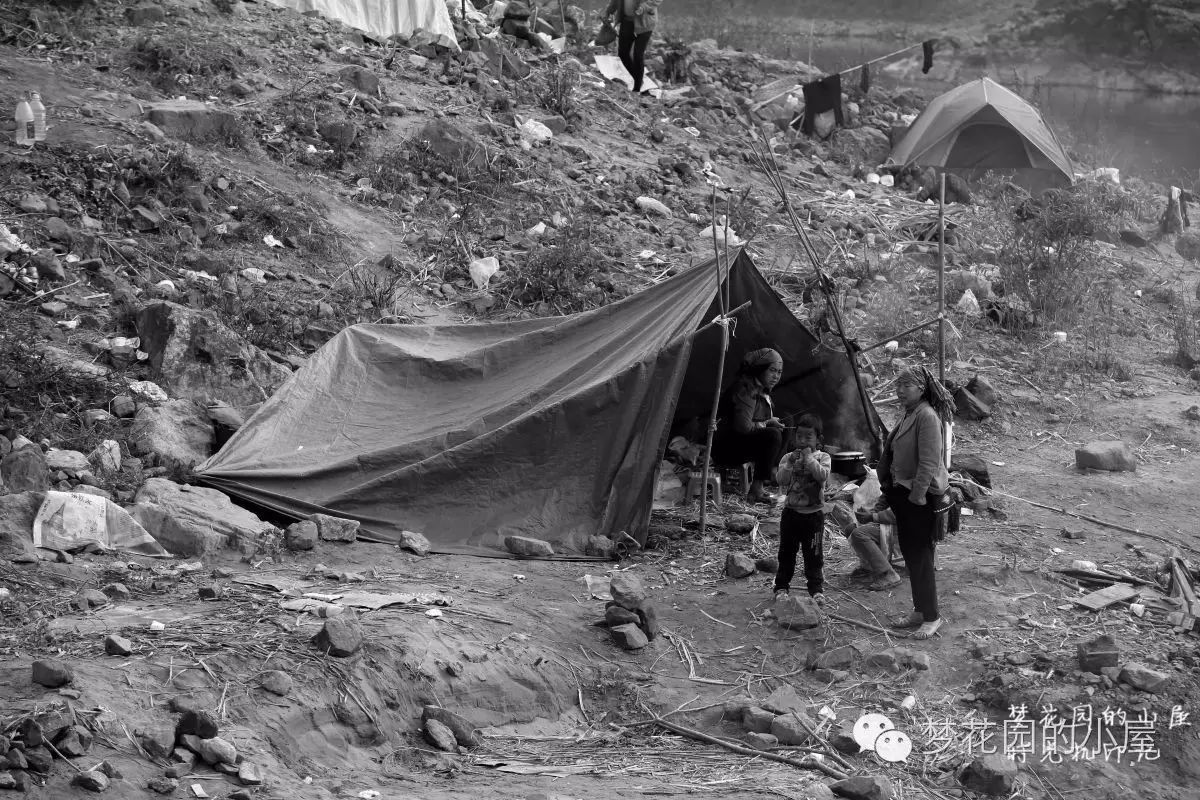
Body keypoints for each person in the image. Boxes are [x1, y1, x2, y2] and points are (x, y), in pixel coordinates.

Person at [876, 365, 955, 640]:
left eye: (905, 386)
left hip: (919, 497)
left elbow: (930, 461)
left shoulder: (927, 416)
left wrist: (917, 494)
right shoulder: (910, 414)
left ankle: (932, 616)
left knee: (921, 557)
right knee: (911, 555)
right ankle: (920, 611)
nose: (899, 391)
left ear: (921, 388)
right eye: (897, 386)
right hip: (906, 494)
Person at [712, 348, 786, 504]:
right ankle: (756, 489)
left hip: (738, 443)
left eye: (779, 372)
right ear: (760, 369)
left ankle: (772, 472)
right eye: (772, 370)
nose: (776, 376)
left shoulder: (759, 388)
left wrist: (769, 421)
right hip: (725, 449)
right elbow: (743, 428)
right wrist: (766, 423)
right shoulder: (745, 388)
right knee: (773, 435)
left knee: (785, 425)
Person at [772, 414, 831, 604]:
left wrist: (809, 460)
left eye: (808, 437)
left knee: (813, 554)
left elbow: (823, 476)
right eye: (799, 436)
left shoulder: (823, 458)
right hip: (791, 514)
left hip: (813, 516)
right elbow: (781, 480)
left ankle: (816, 589)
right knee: (786, 552)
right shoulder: (788, 458)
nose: (803, 440)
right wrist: (789, 464)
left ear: (818, 440)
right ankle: (781, 586)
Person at [603, 0, 661, 94]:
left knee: (638, 55)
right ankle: (638, 78)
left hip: (645, 23)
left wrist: (644, 6)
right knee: (623, 54)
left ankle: (637, 89)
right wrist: (609, 12)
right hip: (627, 21)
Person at [849, 498, 903, 591]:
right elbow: (886, 497)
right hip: (893, 521)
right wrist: (873, 512)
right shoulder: (894, 484)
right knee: (850, 529)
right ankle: (868, 567)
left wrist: (873, 516)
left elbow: (904, 514)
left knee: (859, 534)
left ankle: (888, 574)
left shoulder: (907, 485)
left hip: (908, 525)